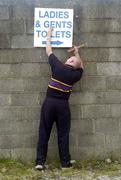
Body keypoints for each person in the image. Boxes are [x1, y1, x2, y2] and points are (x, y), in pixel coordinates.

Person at [35, 28, 84, 170]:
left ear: (69, 61)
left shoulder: (58, 66)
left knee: (44, 131)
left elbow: (48, 50)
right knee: (63, 134)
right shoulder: (76, 75)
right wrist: (77, 52)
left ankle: (40, 162)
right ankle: (65, 163)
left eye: (70, 58)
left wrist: (49, 36)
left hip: (49, 103)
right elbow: (81, 66)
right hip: (63, 106)